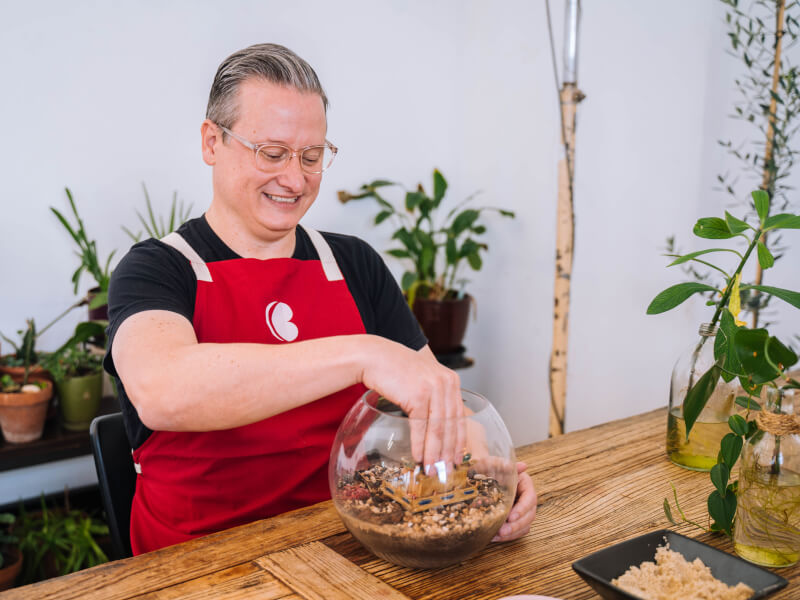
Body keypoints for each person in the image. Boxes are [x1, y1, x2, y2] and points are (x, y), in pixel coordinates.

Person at [104, 43, 536, 555]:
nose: (295, 179)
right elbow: (163, 391)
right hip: (196, 562)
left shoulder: (352, 264)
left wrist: (488, 472)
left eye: (312, 157)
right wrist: (364, 353)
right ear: (211, 141)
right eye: (272, 153)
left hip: (348, 544)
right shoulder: (158, 269)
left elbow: (438, 406)